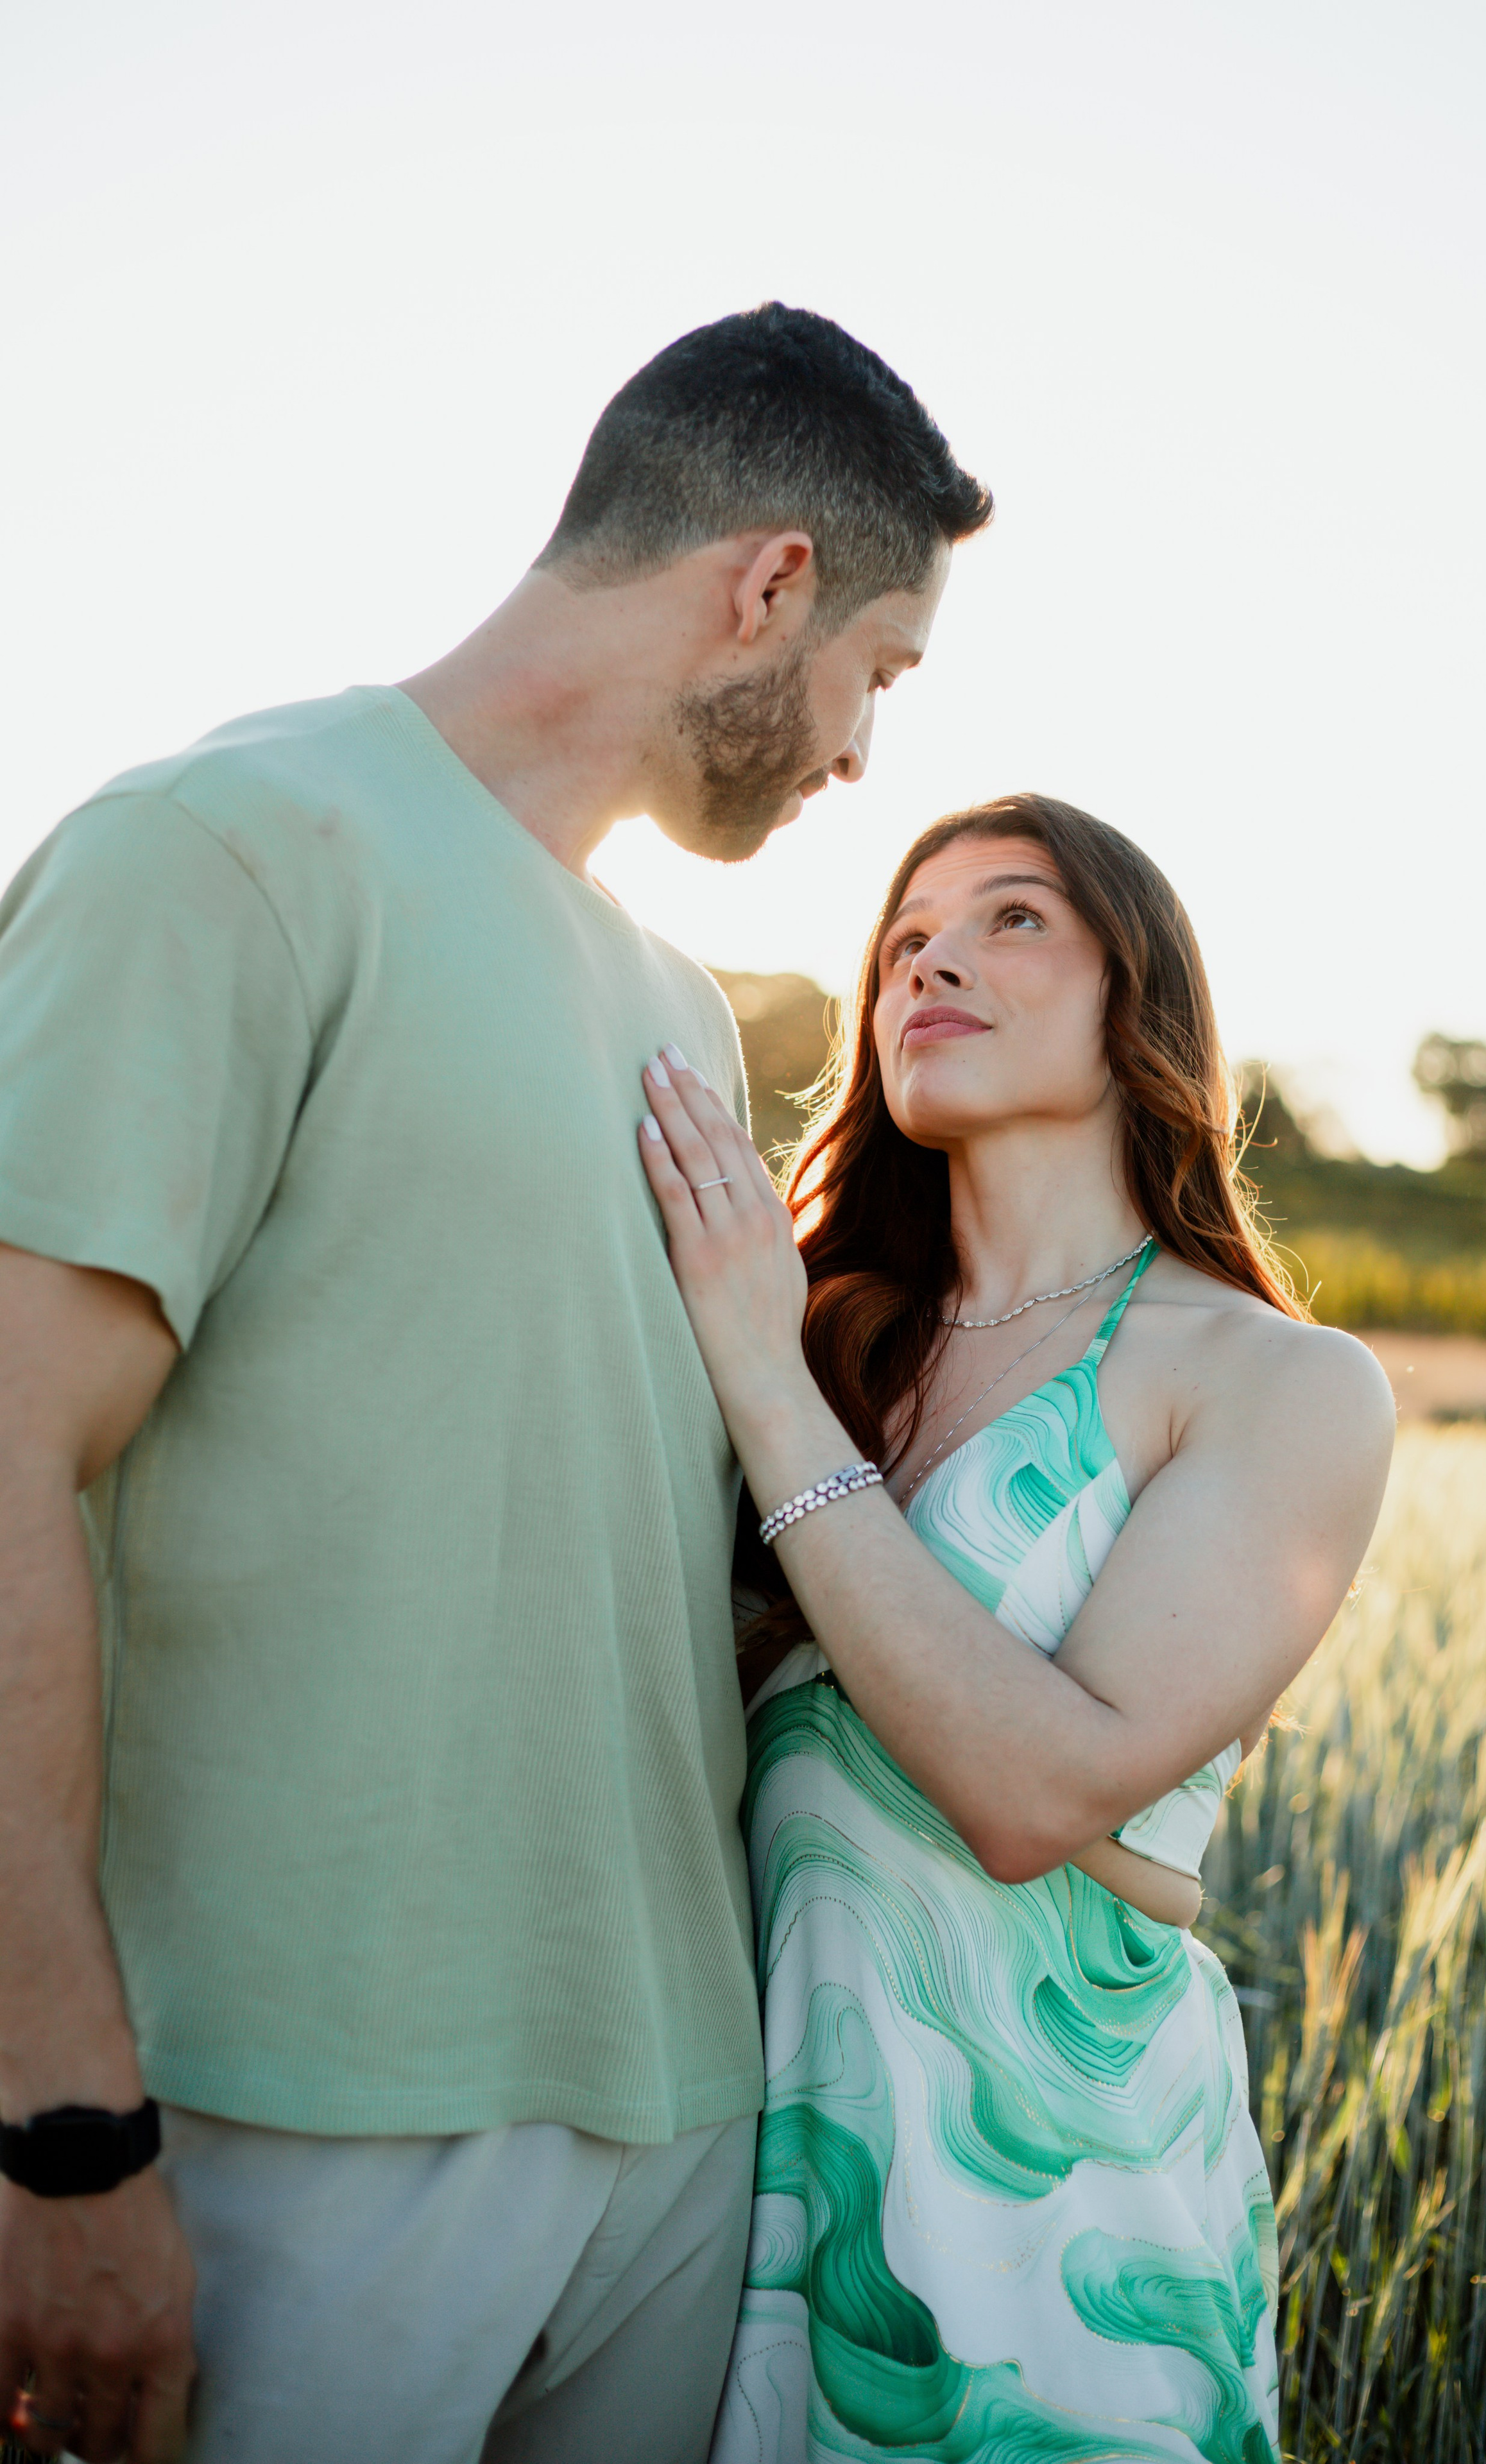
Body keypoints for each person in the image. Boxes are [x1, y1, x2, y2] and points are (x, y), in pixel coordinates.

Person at [0, 305, 990, 2464]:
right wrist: (62, 2126)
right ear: (769, 588)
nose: (858, 761)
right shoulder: (229, 852)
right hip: (303, 2113)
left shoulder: (676, 1006)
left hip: (676, 2123)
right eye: (879, 681)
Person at [635, 794, 1396, 2461]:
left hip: (1056, 2191)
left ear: (1142, 994)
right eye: (905, 938)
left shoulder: (1274, 1381)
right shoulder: (821, 1332)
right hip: (717, 2160)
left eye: (1010, 918)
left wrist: (764, 1387)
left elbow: (1038, 1795)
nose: (935, 960)